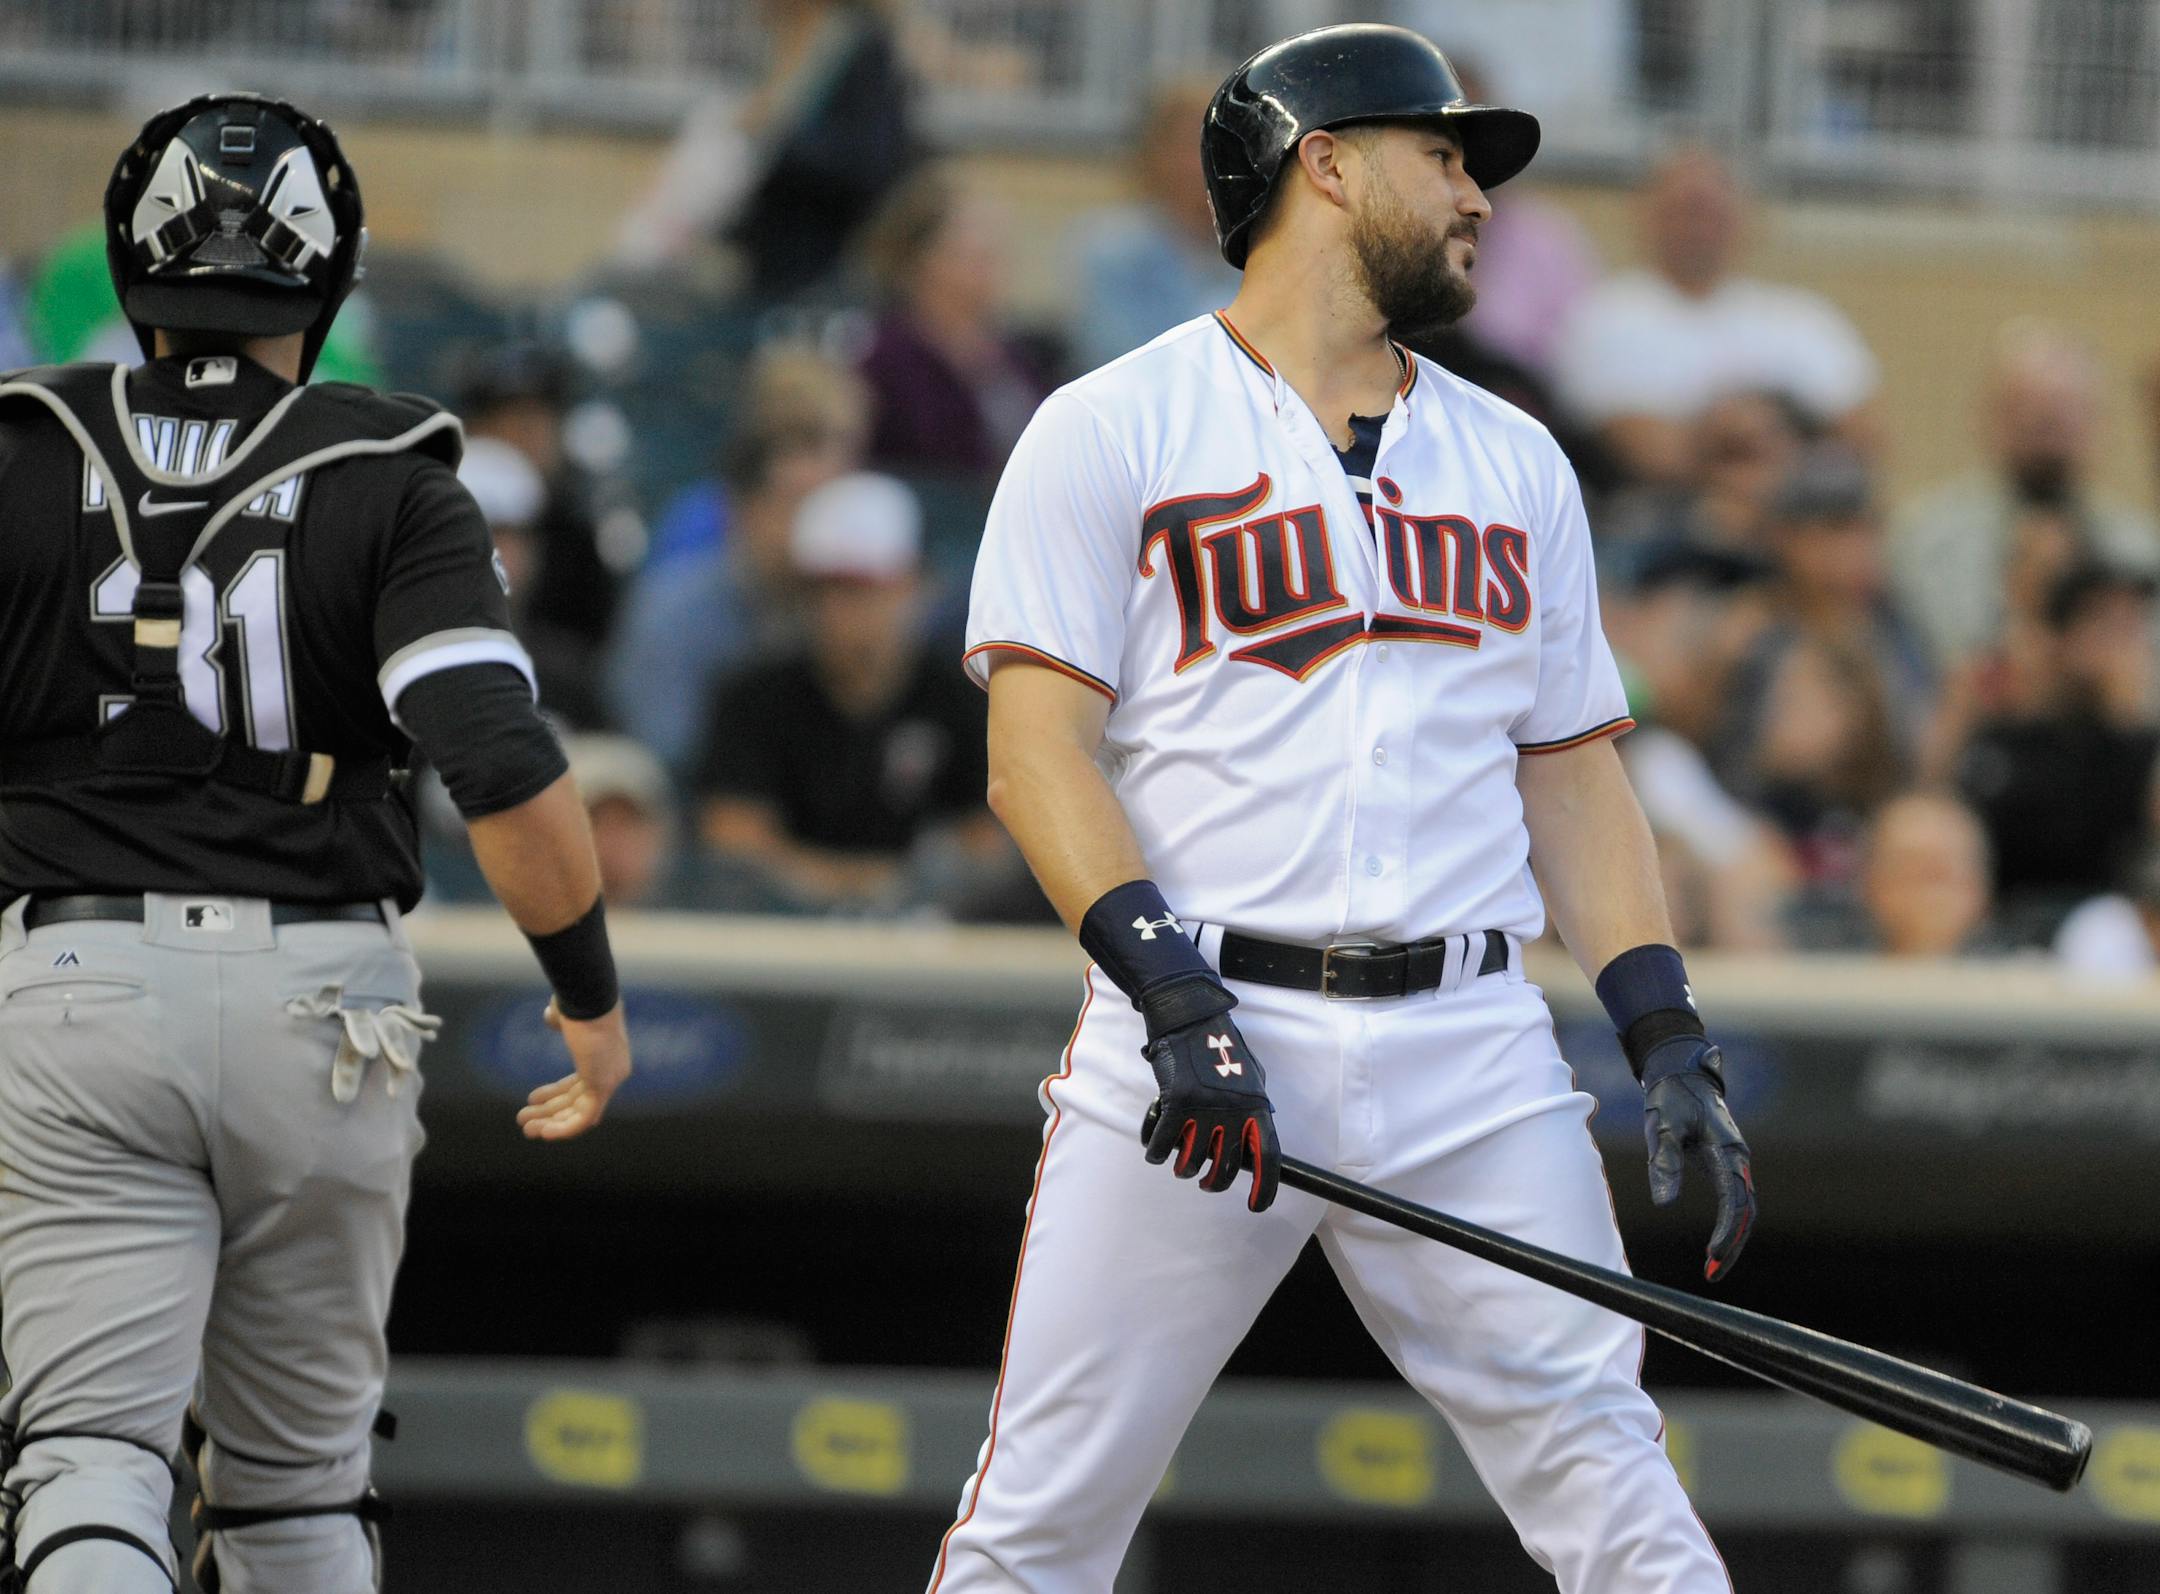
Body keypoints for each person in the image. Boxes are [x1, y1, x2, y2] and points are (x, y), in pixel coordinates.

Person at [933, 27, 1755, 1593]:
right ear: (1326, 162)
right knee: (1041, 1520)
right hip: (1199, 1023)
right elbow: (1036, 754)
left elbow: (1573, 770)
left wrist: (1667, 1029)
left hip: (1470, 1045)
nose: (1480, 199)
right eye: (1444, 156)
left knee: (1612, 1480)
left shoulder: (1514, 458)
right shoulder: (1114, 424)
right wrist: (1172, 997)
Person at [0, 95, 632, 1594]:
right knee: (295, 1497)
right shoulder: (394, 471)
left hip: (71, 974)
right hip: (323, 995)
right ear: (324, 274)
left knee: (93, 1455)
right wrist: (591, 1003)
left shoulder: (20, 448)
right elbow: (498, 756)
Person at [695, 471, 1000, 913]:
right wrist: (875, 885)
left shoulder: (963, 695)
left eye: (863, 588)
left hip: (932, 942)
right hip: (782, 940)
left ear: (914, 585)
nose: (840, 611)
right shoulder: (753, 696)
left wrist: (893, 886)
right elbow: (732, 837)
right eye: (825, 589)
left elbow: (988, 840)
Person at [1551, 148, 1879, 485]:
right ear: (1644, 214)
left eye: (1714, 210)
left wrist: (1747, 441)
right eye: (1688, 209)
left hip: (1795, 522)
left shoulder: (1801, 318)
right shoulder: (1603, 317)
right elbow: (1646, 452)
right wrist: (1753, 437)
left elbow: (1865, 439)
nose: (1700, 226)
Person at [1889, 322, 2160, 675]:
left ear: (2099, 423)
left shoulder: (2139, 546)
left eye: (2066, 409)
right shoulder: (1924, 540)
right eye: (2029, 408)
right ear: (1988, 418)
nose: (2048, 425)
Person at [613, 0, 919, 297]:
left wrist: (772, 143)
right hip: (747, 257)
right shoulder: (767, 47)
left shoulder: (856, 49)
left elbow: (870, 164)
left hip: (813, 266)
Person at [1957, 562, 2160, 934]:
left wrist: (2127, 730)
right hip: (2007, 934)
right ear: (2061, 638)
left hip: (2120, 939)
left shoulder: (2145, 748)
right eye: (2106, 626)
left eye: (2132, 628)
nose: (2122, 646)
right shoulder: (2005, 743)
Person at [855, 168, 1052, 484]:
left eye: (995, 251)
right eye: (974, 253)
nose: (992, 266)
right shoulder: (886, 358)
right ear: (922, 259)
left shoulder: (1014, 355)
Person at [1067, 77, 1245, 372]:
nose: (1216, 161)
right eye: (1194, 144)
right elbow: (1120, 359)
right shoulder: (1114, 249)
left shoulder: (1250, 252)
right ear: (1155, 154)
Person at [1854, 791, 1998, 957]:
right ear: (1870, 882)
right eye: (1913, 864)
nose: (1932, 889)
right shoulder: (1829, 973)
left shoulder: (2023, 976)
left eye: (1947, 865)